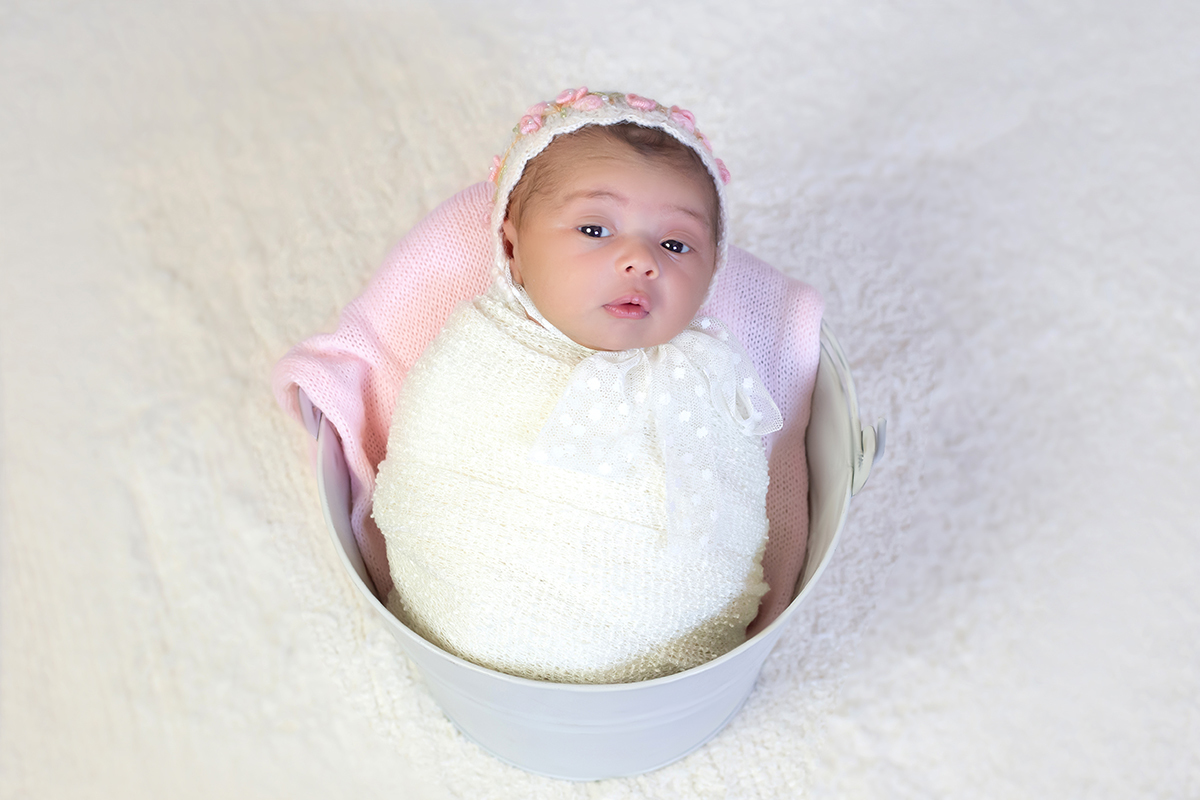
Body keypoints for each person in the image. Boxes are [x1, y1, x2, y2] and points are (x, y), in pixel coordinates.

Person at [371, 89, 782, 684]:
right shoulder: (484, 348)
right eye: (594, 228)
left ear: (713, 269)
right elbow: (431, 470)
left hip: (676, 664)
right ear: (512, 249)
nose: (641, 260)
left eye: (675, 244)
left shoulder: (708, 372)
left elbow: (736, 500)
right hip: (465, 634)